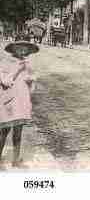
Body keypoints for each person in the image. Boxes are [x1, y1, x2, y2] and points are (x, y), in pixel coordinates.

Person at [0, 42, 39, 170]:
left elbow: (32, 84)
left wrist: (31, 82)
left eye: (25, 48)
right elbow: (5, 82)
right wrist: (17, 70)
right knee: (4, 131)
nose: (22, 50)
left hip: (22, 101)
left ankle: (15, 160)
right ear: (13, 49)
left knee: (18, 132)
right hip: (8, 101)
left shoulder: (28, 65)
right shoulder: (5, 63)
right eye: (19, 48)